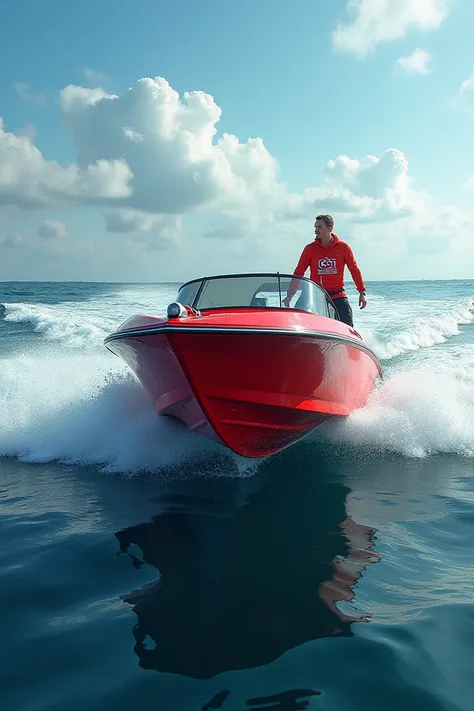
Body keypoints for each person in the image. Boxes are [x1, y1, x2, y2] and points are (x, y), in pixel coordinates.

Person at [282, 214, 367, 326]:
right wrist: (290, 295)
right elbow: (299, 272)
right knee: (297, 319)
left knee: (347, 323)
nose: (316, 230)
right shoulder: (310, 249)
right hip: (314, 294)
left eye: (319, 227)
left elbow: (354, 270)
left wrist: (361, 292)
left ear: (330, 228)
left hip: (337, 294)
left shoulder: (344, 248)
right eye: (315, 227)